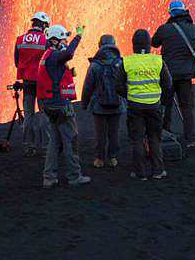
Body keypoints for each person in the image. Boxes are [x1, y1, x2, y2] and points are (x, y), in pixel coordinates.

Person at [36, 24, 90, 187]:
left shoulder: (47, 55)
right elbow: (69, 53)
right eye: (62, 40)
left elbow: (54, 74)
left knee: (55, 142)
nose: (64, 43)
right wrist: (78, 36)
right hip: (59, 105)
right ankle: (74, 176)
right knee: (71, 139)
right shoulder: (53, 55)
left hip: (49, 105)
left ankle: (49, 177)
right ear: (53, 40)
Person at [118, 28, 172, 181]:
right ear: (149, 45)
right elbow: (168, 84)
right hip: (154, 106)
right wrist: (160, 98)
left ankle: (140, 173)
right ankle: (158, 171)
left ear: (134, 44)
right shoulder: (158, 61)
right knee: (155, 138)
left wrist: (129, 96)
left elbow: (118, 85)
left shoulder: (127, 61)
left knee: (137, 139)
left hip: (135, 107)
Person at [151, 0, 195, 146]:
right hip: (186, 74)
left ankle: (165, 134)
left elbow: (154, 43)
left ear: (170, 13)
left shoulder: (165, 29)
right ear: (184, 11)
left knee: (166, 105)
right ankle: (190, 139)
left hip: (169, 75)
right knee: (187, 106)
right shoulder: (192, 28)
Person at [80, 33, 125, 168]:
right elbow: (125, 84)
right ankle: (112, 158)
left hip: (99, 106)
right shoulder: (120, 63)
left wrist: (84, 103)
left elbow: (88, 86)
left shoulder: (95, 65)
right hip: (117, 105)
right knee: (114, 133)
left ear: (99, 46)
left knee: (100, 134)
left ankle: (99, 159)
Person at [14, 11, 50, 156]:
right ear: (43, 24)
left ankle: (29, 146)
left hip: (27, 82)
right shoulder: (46, 40)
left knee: (28, 115)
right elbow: (50, 60)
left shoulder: (20, 39)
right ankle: (46, 148)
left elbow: (17, 62)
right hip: (42, 82)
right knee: (44, 114)